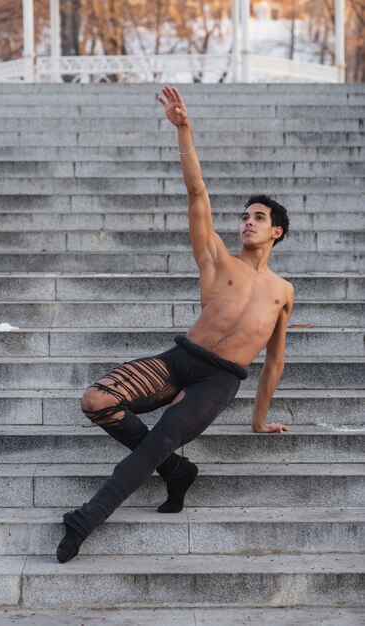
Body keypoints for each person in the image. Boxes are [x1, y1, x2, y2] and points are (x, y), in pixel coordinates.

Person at [56, 84, 294, 563]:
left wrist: (259, 418)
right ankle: (177, 472)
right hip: (181, 357)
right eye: (244, 216)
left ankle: (86, 518)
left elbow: (274, 361)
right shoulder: (216, 261)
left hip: (220, 379)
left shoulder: (283, 292)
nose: (246, 222)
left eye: (258, 217)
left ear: (276, 231)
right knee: (97, 400)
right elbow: (196, 192)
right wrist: (184, 130)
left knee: (161, 434)